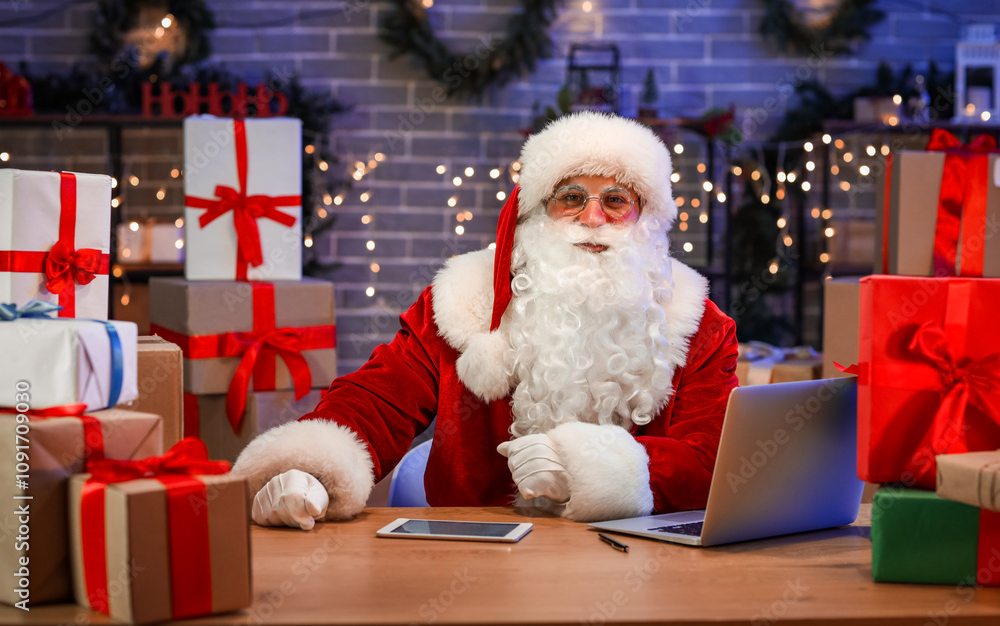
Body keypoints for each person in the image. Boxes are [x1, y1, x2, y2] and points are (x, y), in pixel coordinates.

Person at [233, 111, 739, 530]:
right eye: (571, 198)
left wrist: (597, 470)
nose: (592, 219)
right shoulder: (461, 302)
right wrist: (308, 469)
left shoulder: (697, 325)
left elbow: (713, 459)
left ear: (643, 218)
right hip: (478, 549)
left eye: (615, 201)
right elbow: (379, 398)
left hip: (643, 559)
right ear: (535, 213)